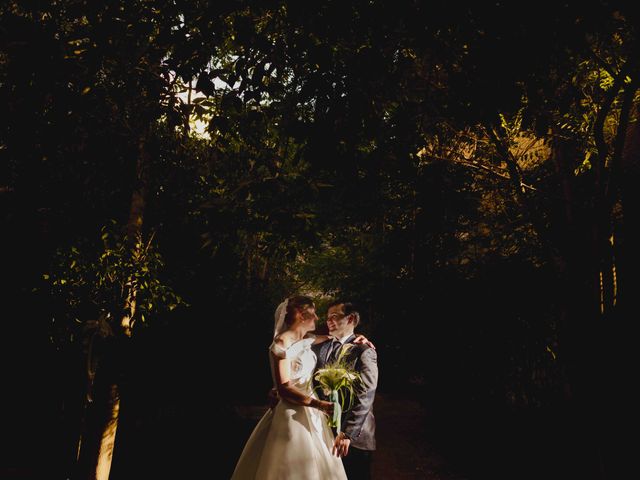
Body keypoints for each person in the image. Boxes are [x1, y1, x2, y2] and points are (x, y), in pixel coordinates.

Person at [231, 295, 348, 479]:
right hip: (291, 413)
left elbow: (335, 338)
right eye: (314, 313)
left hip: (313, 414)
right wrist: (320, 405)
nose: (317, 318)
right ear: (302, 315)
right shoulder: (281, 343)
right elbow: (284, 388)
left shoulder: (308, 339)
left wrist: (359, 339)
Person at [312, 301, 378, 480]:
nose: (329, 321)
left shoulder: (364, 350)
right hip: (324, 432)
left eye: (335, 317)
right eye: (327, 318)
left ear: (351, 318)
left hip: (355, 437)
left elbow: (366, 394)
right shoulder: (321, 347)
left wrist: (348, 432)